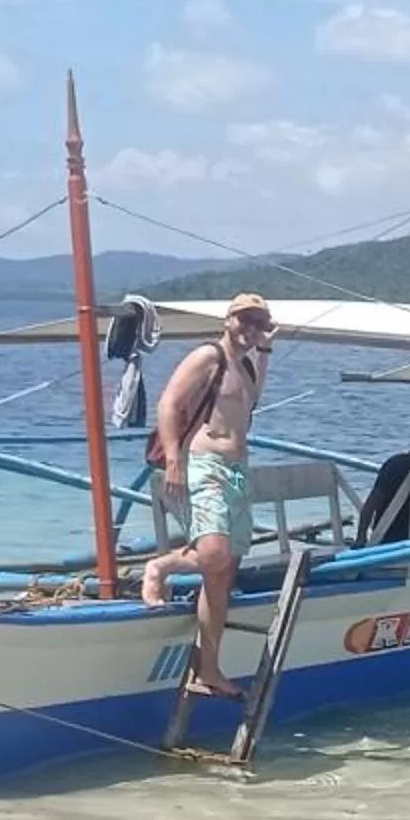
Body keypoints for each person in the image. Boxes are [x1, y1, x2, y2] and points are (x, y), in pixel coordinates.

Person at [138, 292, 274, 698]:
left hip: (236, 472)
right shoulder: (208, 356)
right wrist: (175, 461)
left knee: (222, 573)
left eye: (259, 323)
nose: (250, 329)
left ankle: (209, 669)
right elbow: (168, 404)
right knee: (213, 554)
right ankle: (159, 568)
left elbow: (252, 401)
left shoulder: (247, 366)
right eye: (245, 320)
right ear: (228, 319)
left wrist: (265, 349)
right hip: (204, 464)